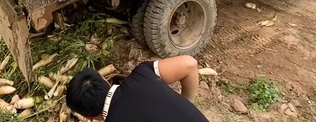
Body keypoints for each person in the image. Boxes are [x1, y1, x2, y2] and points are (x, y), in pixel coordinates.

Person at [65, 55, 209, 121]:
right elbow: (189, 64)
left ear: (88, 117)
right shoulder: (143, 74)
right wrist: (185, 104)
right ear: (105, 80)